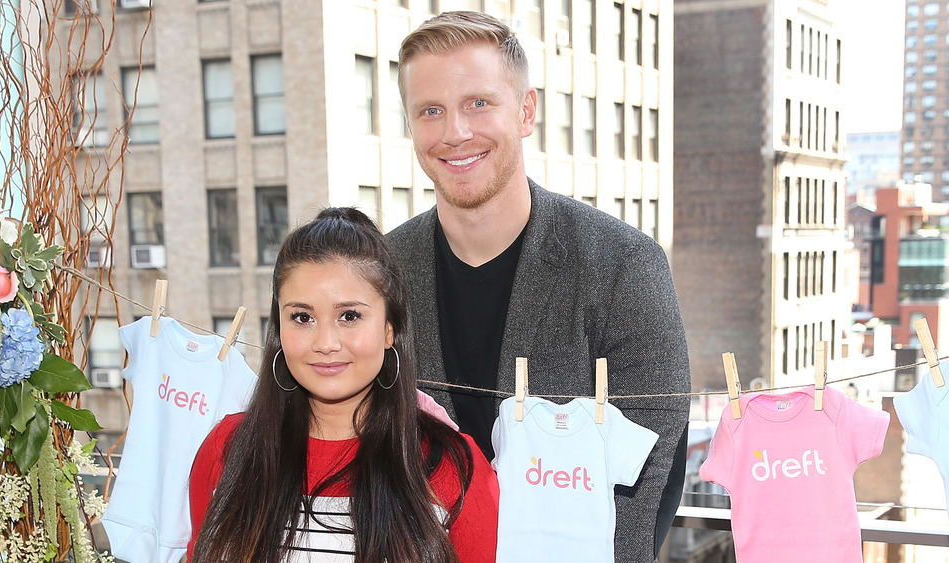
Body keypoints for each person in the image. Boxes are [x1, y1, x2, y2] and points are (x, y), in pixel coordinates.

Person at [389, 11, 691, 561]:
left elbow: (651, 478)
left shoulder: (624, 266)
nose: (455, 132)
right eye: (431, 111)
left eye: (478, 103)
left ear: (526, 111)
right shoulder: (380, 272)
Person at [187, 208, 498, 562]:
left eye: (349, 316)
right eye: (302, 317)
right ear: (279, 329)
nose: (326, 342)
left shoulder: (453, 465)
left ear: (389, 330)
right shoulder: (226, 451)